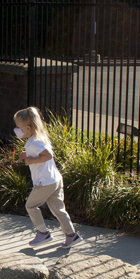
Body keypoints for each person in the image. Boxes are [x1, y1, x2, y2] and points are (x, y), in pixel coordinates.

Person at [14, 106, 81, 249]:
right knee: (58, 209)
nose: (16, 130)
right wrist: (27, 155)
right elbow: (42, 154)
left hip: (44, 182)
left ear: (27, 128)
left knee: (31, 206)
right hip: (54, 179)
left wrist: (30, 160)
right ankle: (71, 235)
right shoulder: (38, 138)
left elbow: (47, 156)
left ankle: (43, 233)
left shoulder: (34, 142)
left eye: (18, 127)